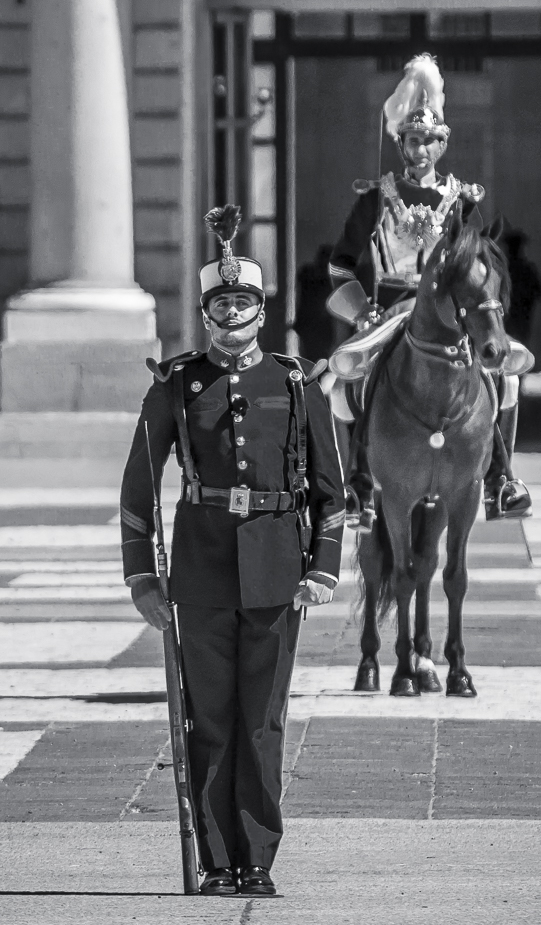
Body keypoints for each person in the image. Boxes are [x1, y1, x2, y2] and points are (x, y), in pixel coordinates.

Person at [119, 205, 345, 898]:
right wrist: (142, 579)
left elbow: (332, 489)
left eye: (245, 300)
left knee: (263, 722)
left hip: (278, 566)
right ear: (208, 311)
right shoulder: (179, 386)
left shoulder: (295, 382)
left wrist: (324, 565)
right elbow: (137, 485)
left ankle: (259, 860)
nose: (234, 311)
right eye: (222, 302)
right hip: (202, 568)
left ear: (261, 309)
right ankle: (219, 860)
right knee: (210, 718)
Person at [328, 53, 532, 529]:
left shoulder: (463, 199)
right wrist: (361, 315)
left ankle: (502, 478)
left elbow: (478, 262)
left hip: (449, 312)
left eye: (429, 142)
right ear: (401, 143)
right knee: (342, 384)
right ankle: (357, 482)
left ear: (443, 145)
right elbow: (340, 266)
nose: (420, 151)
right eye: (412, 141)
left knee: (509, 377)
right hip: (389, 308)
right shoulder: (375, 197)